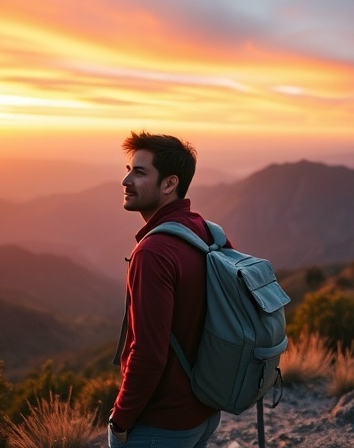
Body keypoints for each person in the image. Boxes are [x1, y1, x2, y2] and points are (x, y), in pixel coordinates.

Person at [108, 131, 222, 447]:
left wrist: (120, 419)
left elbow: (148, 353)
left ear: (169, 184)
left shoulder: (153, 252)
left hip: (162, 424)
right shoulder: (206, 231)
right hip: (205, 412)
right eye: (128, 169)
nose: (126, 180)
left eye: (139, 172)